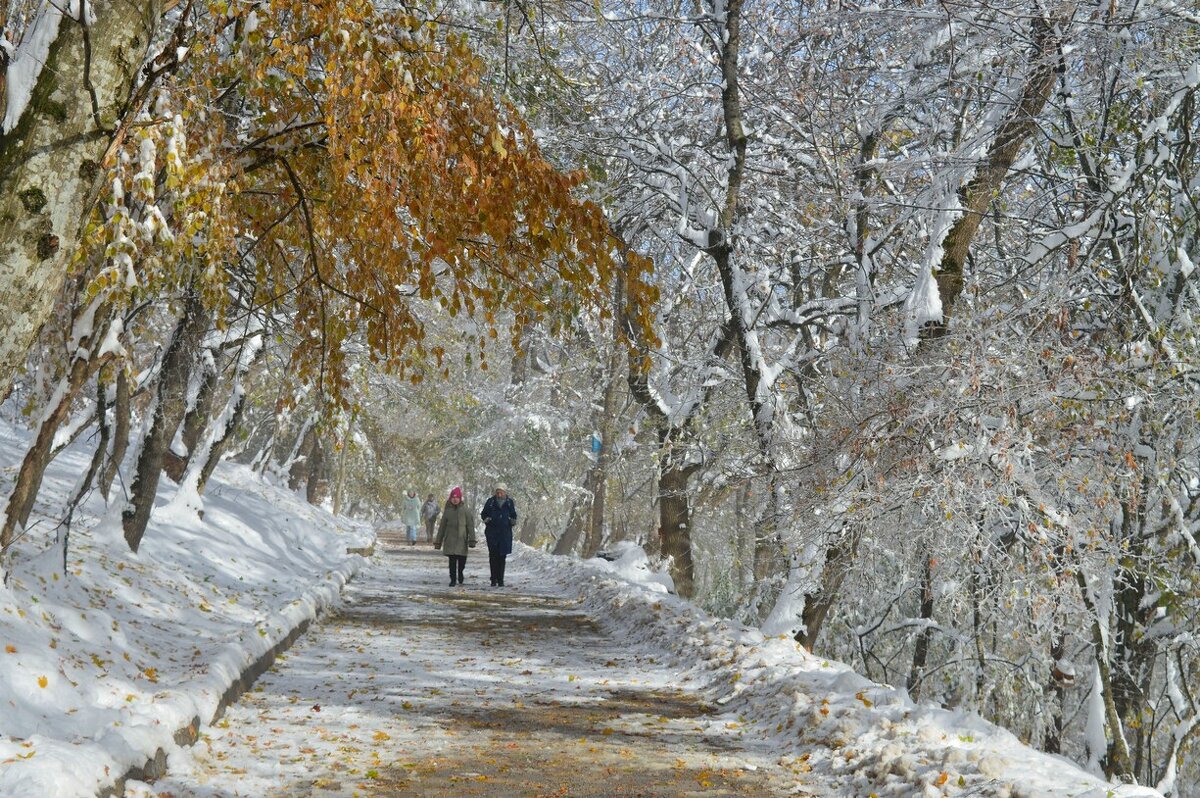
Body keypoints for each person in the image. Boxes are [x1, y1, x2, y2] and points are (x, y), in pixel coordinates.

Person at [435, 486, 475, 586]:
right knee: (452, 562)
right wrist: (438, 541)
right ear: (451, 498)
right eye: (453, 497)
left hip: (462, 540)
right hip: (450, 540)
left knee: (462, 561)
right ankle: (453, 579)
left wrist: (472, 539)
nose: (455, 499)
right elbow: (442, 527)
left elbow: (470, 525)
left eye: (457, 497)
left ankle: (460, 573)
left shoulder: (465, 510)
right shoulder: (447, 511)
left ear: (460, 498)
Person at [480, 484, 517, 587]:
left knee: (502, 557)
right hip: (492, 533)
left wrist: (512, 521)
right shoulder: (490, 502)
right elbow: (483, 514)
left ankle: (500, 579)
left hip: (505, 534)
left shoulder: (509, 502)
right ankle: (493, 578)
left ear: (504, 492)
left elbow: (513, 515)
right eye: (497, 492)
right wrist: (486, 519)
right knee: (493, 556)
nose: (499, 494)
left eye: (501, 492)